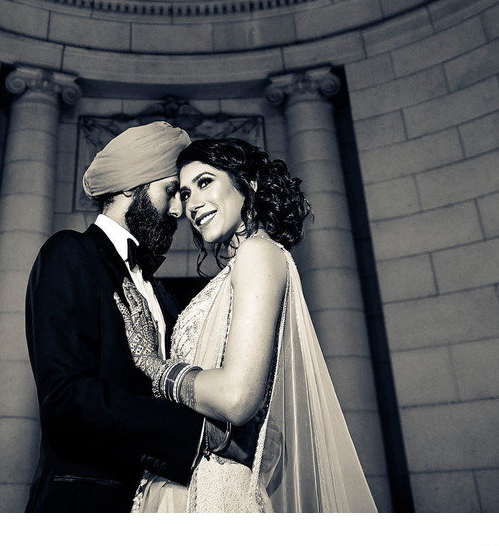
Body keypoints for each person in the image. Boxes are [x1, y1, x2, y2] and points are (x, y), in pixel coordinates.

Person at [114, 136, 378, 513]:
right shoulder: (238, 268)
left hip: (213, 493)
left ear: (248, 182)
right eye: (185, 193)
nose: (191, 204)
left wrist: (155, 367)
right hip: (185, 480)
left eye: (205, 182)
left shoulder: (258, 252)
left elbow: (238, 398)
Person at [24, 120, 253, 512]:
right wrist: (199, 435)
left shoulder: (160, 294)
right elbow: (66, 402)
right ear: (131, 185)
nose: (181, 210)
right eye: (171, 191)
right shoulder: (70, 253)